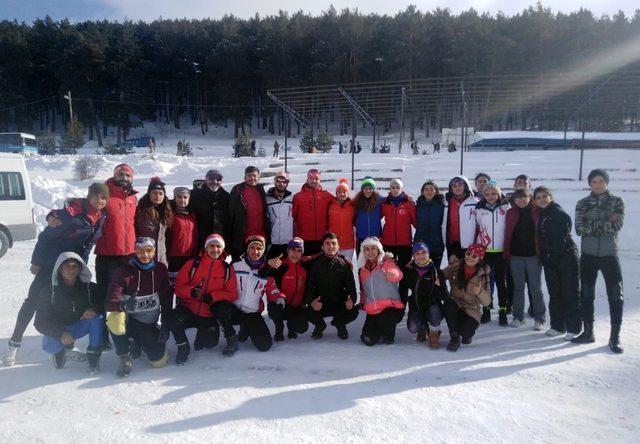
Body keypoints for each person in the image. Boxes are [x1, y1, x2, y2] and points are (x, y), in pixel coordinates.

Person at [3, 183, 108, 366]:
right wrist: (37, 262)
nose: (100, 200)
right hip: (51, 265)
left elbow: (88, 245)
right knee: (33, 302)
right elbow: (46, 236)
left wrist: (81, 267)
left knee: (69, 303)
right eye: (97, 196)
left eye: (103, 197)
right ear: (89, 196)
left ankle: (66, 346)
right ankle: (14, 345)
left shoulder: (99, 217)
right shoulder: (72, 212)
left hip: (71, 268)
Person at [573, 169, 625, 353]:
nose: (598, 184)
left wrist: (592, 225)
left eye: (601, 181)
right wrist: (606, 223)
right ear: (589, 184)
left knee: (615, 296)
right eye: (594, 181)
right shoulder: (582, 203)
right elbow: (579, 229)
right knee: (587, 294)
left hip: (610, 254)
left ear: (606, 182)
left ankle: (615, 337)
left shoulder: (617, 201)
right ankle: (588, 332)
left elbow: (617, 225)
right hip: (588, 255)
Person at [105, 237, 171, 377]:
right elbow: (109, 302)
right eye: (140, 251)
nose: (145, 255)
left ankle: (138, 342)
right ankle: (124, 356)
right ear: (135, 251)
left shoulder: (160, 269)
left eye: (149, 250)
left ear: (154, 251)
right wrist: (123, 305)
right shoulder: (124, 271)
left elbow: (166, 299)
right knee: (114, 319)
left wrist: (166, 323)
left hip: (148, 324)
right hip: (129, 321)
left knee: (159, 362)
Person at [171, 233, 238, 364]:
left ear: (222, 249)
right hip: (189, 309)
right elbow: (178, 287)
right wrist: (191, 291)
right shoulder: (192, 264)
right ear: (206, 248)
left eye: (218, 246)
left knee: (209, 343)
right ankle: (183, 346)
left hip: (209, 313)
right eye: (211, 246)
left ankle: (219, 336)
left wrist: (214, 296)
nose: (215, 250)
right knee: (171, 318)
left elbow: (232, 294)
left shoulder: (227, 269)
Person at [93, 164, 139, 349]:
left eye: (127, 175)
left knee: (126, 296)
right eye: (120, 174)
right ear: (114, 175)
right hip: (107, 255)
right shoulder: (104, 193)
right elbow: (84, 207)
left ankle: (124, 331)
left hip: (128, 256)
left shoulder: (133, 198)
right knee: (107, 296)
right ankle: (103, 335)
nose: (124, 177)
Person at [33, 252, 103, 373]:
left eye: (75, 266)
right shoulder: (48, 290)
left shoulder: (89, 287)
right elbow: (39, 322)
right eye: (67, 266)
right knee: (50, 346)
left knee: (97, 318)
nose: (71, 270)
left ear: (80, 268)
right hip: (59, 329)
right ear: (60, 269)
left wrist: (93, 309)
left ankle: (94, 354)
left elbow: (104, 302)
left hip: (78, 325)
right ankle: (61, 352)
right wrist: (60, 334)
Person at [534, 186, 580, 340]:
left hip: (566, 257)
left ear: (550, 197)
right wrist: (547, 259)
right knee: (555, 293)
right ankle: (558, 326)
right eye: (538, 198)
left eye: (544, 196)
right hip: (551, 259)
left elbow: (560, 239)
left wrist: (552, 258)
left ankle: (573, 327)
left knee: (569, 292)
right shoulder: (542, 214)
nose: (542, 200)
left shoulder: (557, 213)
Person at [503, 189, 546, 329]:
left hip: (533, 256)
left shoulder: (537, 212)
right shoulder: (510, 213)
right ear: (514, 200)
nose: (521, 200)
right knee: (518, 288)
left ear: (530, 198)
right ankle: (518, 316)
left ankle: (539, 318)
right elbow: (507, 234)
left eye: (524, 197)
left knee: (535, 288)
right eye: (518, 198)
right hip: (515, 256)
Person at [305, 232, 358, 340]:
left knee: (353, 310)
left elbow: (351, 287)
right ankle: (319, 325)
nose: (331, 246)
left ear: (338, 247)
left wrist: (351, 300)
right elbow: (309, 288)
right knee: (306, 311)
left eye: (334, 243)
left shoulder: (344, 264)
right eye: (327, 244)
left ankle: (340, 324)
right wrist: (312, 301)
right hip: (321, 303)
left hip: (338, 303)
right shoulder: (315, 264)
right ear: (322, 247)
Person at [227, 235, 274, 354]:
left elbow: (272, 288)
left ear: (263, 251)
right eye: (252, 248)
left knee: (265, 345)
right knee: (220, 310)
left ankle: (246, 328)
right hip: (234, 309)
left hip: (252, 311)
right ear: (247, 250)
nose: (255, 251)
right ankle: (231, 336)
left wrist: (279, 298)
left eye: (259, 249)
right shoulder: (235, 265)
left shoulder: (266, 268)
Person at [442, 244, 491, 351]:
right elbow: (440, 275)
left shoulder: (483, 274)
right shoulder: (456, 266)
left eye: (474, 256)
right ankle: (454, 338)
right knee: (448, 304)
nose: (470, 257)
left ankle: (466, 334)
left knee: (466, 331)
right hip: (456, 303)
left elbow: (487, 302)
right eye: (468, 254)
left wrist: (480, 292)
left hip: (471, 309)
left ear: (479, 259)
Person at [475, 179, 511, 326]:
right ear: (483, 195)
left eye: (493, 194)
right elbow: (477, 228)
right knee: (486, 284)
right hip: (486, 252)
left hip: (501, 251)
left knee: (501, 282)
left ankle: (503, 311)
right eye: (487, 194)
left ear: (498, 193)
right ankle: (487, 310)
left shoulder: (506, 207)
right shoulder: (479, 209)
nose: (490, 196)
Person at [357, 237, 405, 346]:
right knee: (368, 340)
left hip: (391, 308)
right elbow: (364, 290)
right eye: (367, 249)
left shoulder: (386, 262)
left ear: (378, 250)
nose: (370, 252)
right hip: (373, 309)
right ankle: (378, 331)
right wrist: (363, 302)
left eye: (373, 248)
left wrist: (393, 274)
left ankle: (388, 334)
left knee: (385, 323)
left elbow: (398, 274)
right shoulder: (362, 270)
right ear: (363, 252)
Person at [261, 237, 310, 341]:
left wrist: (304, 302)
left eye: (299, 250)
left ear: (302, 253)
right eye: (293, 249)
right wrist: (268, 264)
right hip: (280, 303)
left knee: (302, 327)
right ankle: (279, 327)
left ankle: (291, 328)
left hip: (296, 305)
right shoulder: (280, 265)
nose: (295, 254)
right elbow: (264, 275)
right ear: (288, 250)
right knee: (275, 309)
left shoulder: (305, 265)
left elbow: (319, 256)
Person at [403, 242, 447, 349]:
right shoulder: (410, 271)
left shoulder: (436, 271)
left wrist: (438, 285)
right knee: (413, 328)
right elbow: (404, 288)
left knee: (435, 314)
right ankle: (423, 327)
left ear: (428, 254)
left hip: (432, 307)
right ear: (413, 256)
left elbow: (444, 296)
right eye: (417, 253)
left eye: (423, 252)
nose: (421, 256)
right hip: (417, 306)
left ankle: (433, 333)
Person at [381, 178, 415, 300]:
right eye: (393, 187)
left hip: (405, 244)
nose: (395, 189)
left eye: (397, 187)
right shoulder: (384, 203)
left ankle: (402, 300)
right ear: (389, 189)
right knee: (389, 273)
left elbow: (416, 222)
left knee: (404, 274)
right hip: (388, 244)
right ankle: (390, 298)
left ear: (401, 189)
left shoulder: (409, 204)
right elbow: (376, 217)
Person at [228, 166, 270, 261]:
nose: (252, 178)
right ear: (244, 177)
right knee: (239, 269)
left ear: (259, 177)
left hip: (260, 238)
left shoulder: (261, 190)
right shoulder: (238, 191)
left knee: (257, 270)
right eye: (249, 175)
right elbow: (230, 215)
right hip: (241, 239)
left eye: (254, 176)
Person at [292, 169, 334, 255]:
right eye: (311, 178)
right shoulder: (298, 197)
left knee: (321, 267)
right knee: (306, 266)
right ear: (307, 179)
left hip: (322, 239)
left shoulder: (327, 196)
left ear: (320, 180)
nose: (314, 181)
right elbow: (294, 218)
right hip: (304, 239)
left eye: (316, 178)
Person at [135, 177, 173, 267]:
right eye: (154, 193)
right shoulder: (140, 211)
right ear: (149, 194)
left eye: (161, 193)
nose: (158, 196)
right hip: (143, 256)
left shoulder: (166, 212)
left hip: (161, 257)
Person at [189, 169, 230, 249]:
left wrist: (228, 242)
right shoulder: (194, 195)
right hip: (199, 242)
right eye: (211, 178)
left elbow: (228, 221)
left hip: (218, 242)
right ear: (206, 179)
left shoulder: (226, 197)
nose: (214, 181)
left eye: (218, 179)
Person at [442, 176, 478, 260]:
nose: (457, 188)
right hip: (452, 243)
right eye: (454, 186)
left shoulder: (475, 202)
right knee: (454, 271)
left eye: (460, 185)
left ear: (465, 186)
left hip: (470, 244)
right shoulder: (446, 202)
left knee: (468, 271)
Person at [167, 187, 198, 282]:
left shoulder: (191, 215)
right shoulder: (170, 214)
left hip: (190, 255)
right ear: (175, 198)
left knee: (187, 280)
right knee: (174, 282)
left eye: (185, 197)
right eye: (179, 197)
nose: (182, 200)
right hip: (174, 255)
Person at [414, 181, 445, 268]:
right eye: (426, 189)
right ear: (422, 192)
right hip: (421, 243)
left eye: (431, 189)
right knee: (421, 271)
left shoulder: (442, 204)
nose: (428, 192)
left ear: (436, 191)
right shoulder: (418, 205)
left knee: (435, 271)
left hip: (437, 243)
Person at [266, 171, 294, 258]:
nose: (281, 184)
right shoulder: (267, 199)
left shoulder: (292, 199)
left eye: (284, 182)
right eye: (278, 181)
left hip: (288, 242)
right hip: (272, 243)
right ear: (274, 181)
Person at [328, 178, 356, 259]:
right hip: (333, 244)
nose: (342, 194)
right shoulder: (331, 205)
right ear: (336, 193)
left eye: (344, 192)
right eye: (339, 192)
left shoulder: (352, 206)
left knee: (347, 267)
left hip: (348, 244)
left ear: (348, 193)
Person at [354, 177, 383, 252]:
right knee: (361, 261)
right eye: (365, 188)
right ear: (362, 189)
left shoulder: (379, 200)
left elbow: (393, 198)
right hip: (361, 237)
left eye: (370, 188)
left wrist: (405, 196)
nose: (368, 191)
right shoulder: (356, 201)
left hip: (375, 236)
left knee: (376, 261)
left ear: (373, 189)